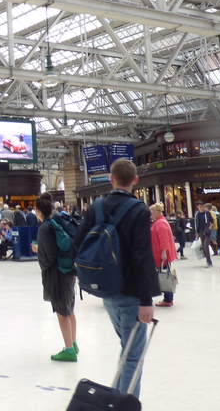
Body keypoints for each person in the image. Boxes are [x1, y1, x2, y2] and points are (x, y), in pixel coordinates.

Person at [73, 159, 157, 399]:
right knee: (133, 356)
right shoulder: (139, 210)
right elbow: (142, 258)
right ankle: (124, 404)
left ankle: (118, 400)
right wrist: (146, 299)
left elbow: (77, 243)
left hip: (106, 290)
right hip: (131, 293)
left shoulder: (97, 206)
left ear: (111, 179)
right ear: (135, 180)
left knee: (127, 349)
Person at [34, 193, 78, 362]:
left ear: (39, 211)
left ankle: (68, 350)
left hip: (57, 274)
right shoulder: (59, 221)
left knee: (61, 311)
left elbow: (49, 257)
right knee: (69, 309)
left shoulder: (45, 228)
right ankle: (73, 343)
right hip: (69, 270)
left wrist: (39, 252)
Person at [149, 204, 177, 307]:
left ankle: (168, 299)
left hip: (160, 255)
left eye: (151, 212)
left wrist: (164, 252)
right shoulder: (160, 222)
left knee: (165, 276)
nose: (150, 215)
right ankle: (168, 298)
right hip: (159, 254)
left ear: (157, 212)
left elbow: (164, 240)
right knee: (165, 275)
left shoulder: (160, 224)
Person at [194, 203, 213, 268]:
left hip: (207, 232)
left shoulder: (207, 213)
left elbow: (212, 221)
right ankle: (208, 260)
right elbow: (197, 224)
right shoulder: (197, 214)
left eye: (202, 207)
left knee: (205, 246)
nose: (201, 208)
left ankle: (209, 262)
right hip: (201, 232)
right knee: (203, 247)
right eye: (199, 207)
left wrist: (210, 227)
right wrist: (197, 233)